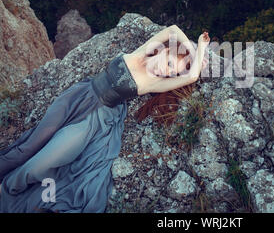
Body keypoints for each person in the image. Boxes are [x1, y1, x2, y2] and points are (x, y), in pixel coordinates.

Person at [0, 25, 210, 212]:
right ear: (165, 50)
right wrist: (191, 46)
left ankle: (8, 188)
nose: (167, 70)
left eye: (173, 72)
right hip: (77, 97)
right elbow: (173, 30)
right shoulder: (140, 53)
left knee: (44, 161)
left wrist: (201, 49)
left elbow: (191, 77)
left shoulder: (154, 82)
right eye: (171, 63)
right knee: (33, 143)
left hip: (94, 119)